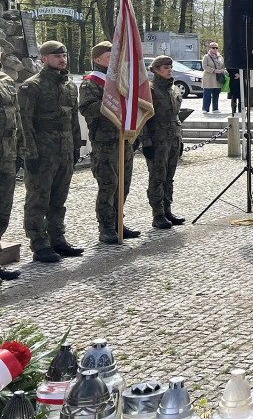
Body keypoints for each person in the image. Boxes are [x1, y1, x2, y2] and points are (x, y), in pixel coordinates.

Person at [19, 40, 84, 263]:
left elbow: (73, 119)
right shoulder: (32, 86)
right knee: (38, 198)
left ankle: (58, 239)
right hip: (42, 153)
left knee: (59, 199)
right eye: (56, 56)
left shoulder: (68, 86)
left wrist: (76, 146)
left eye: (64, 55)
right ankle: (39, 244)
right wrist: (29, 153)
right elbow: (24, 122)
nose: (62, 59)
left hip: (64, 150)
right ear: (44, 58)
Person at [79, 41, 141, 243]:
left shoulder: (120, 80)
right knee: (109, 185)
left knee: (124, 185)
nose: (115, 60)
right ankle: (106, 227)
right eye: (109, 57)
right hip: (105, 142)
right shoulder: (91, 82)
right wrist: (112, 100)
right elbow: (86, 108)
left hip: (123, 139)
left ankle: (117, 222)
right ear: (98, 59)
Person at [140, 56, 185, 229]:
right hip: (157, 139)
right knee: (157, 178)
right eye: (165, 67)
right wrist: (146, 142)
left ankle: (167, 210)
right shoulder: (150, 90)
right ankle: (157, 214)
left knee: (169, 177)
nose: (169, 70)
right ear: (156, 69)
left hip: (173, 137)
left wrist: (180, 140)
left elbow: (177, 117)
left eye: (170, 67)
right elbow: (143, 118)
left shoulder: (174, 89)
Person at [0, 46, 23, 283]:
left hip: (7, 157)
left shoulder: (6, 80)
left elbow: (17, 119)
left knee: (3, 212)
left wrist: (22, 151)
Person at [202, 42, 226, 113]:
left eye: (216, 48)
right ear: (210, 48)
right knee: (207, 94)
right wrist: (213, 70)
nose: (215, 49)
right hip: (209, 78)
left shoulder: (220, 57)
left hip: (218, 78)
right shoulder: (206, 56)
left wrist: (221, 71)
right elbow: (204, 66)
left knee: (216, 94)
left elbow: (224, 67)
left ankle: (215, 108)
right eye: (213, 47)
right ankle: (205, 109)